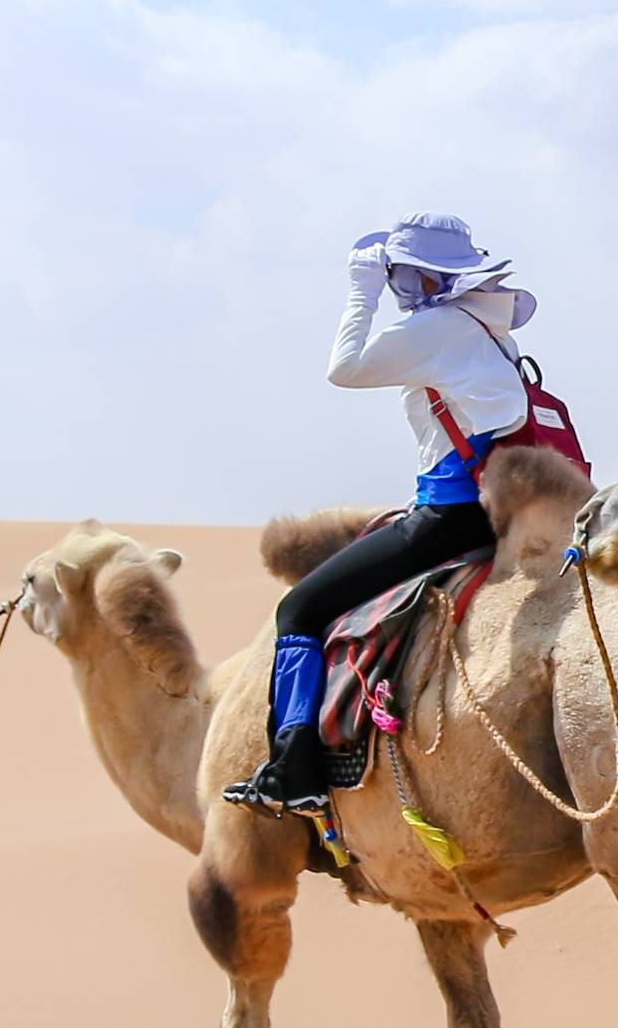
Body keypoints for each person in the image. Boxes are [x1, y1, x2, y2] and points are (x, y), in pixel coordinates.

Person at [227, 213, 539, 819]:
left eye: (403, 277)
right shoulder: (487, 325)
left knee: (298, 610)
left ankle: (296, 771)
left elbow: (343, 369)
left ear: (431, 277)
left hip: (449, 515)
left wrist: (359, 289)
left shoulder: (439, 328)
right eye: (394, 278)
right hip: (499, 509)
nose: (401, 290)